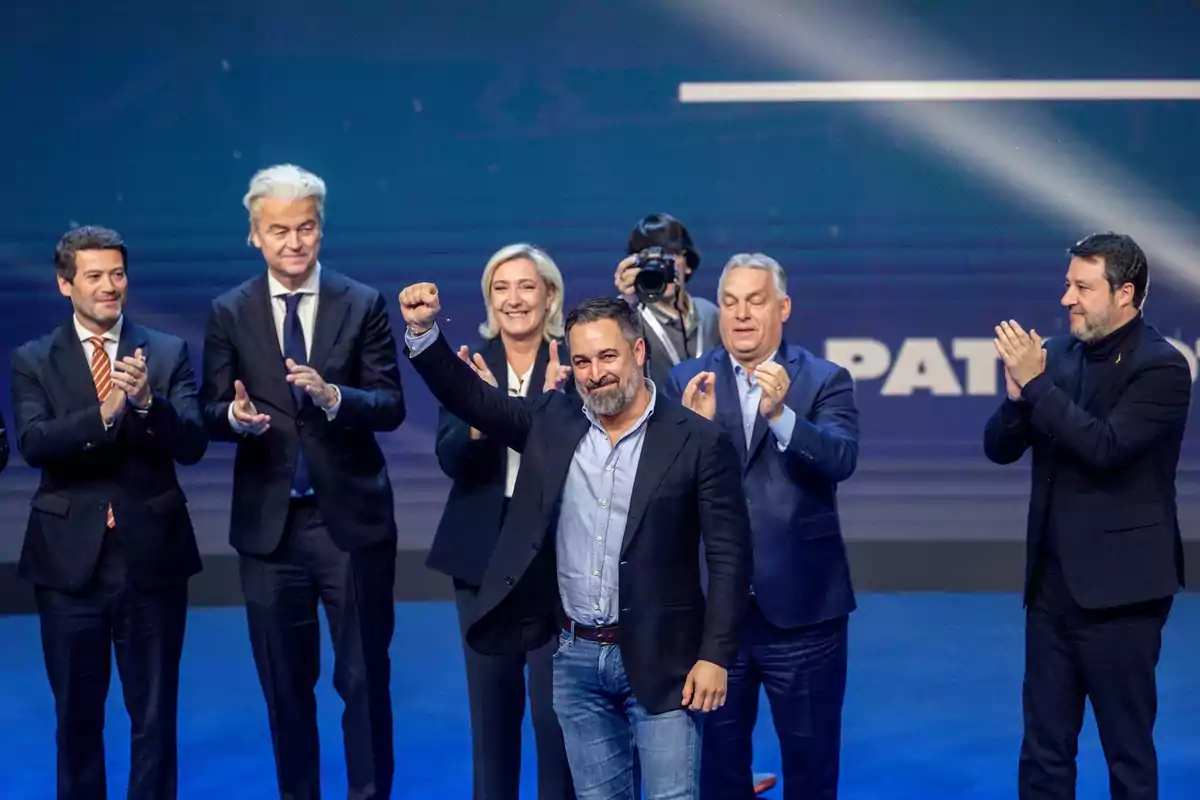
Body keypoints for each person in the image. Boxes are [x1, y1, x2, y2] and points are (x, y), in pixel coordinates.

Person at [398, 284, 752, 800]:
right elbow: (472, 398)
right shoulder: (552, 422)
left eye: (607, 355)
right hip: (576, 662)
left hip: (665, 661)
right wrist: (423, 334)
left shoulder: (696, 439)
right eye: (581, 361)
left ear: (638, 352)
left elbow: (729, 557)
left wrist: (716, 656)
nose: (594, 373)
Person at [200, 164, 406, 799]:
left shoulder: (362, 302)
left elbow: (390, 404)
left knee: (364, 680)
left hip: (348, 523)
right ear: (255, 236)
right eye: (279, 230)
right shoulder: (228, 312)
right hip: (270, 528)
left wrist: (335, 395)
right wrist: (233, 417)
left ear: (321, 230)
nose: (294, 242)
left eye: (306, 228)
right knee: (285, 687)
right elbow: (207, 411)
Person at [984, 232, 1189, 800]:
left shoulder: (1163, 368)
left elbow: (1105, 448)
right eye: (1067, 284)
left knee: (1127, 755)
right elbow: (998, 448)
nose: (1066, 298)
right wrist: (1016, 400)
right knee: (1044, 753)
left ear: (1126, 293)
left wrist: (1037, 385)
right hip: (1051, 591)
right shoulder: (1056, 354)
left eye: (1082, 286)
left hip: (1123, 595)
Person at [10, 225, 208, 799]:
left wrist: (148, 402)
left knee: (154, 716)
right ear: (64, 284)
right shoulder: (34, 360)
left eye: (117, 274)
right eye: (94, 276)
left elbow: (191, 444)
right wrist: (107, 411)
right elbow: (35, 442)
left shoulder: (166, 352)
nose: (109, 286)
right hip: (69, 564)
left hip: (151, 561)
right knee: (76, 717)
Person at [667, 254, 859, 800]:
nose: (741, 315)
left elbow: (841, 459)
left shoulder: (824, 379)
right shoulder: (687, 379)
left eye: (755, 301)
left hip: (804, 616)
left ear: (783, 307)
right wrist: (692, 437)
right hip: (712, 619)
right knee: (719, 774)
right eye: (730, 303)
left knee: (812, 771)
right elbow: (662, 489)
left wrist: (782, 417)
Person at [428, 243, 575, 800]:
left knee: (553, 718)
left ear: (550, 295)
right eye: (501, 288)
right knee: (492, 721)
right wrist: (477, 418)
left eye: (526, 287)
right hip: (482, 555)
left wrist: (562, 404)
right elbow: (450, 459)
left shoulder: (573, 361)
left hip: (556, 556)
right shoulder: (470, 363)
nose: (514, 300)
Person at [614, 214, 719, 390]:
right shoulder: (628, 316)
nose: (660, 267)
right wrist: (626, 303)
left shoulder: (710, 315)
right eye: (650, 259)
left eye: (669, 256)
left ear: (688, 263)